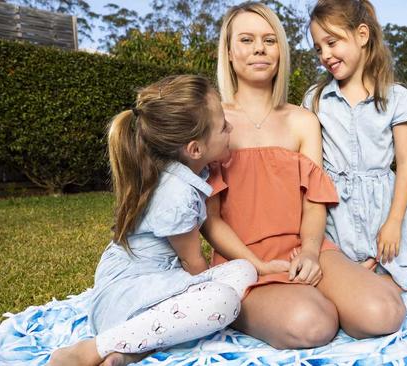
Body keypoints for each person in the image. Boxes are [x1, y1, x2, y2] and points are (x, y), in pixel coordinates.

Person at [200, 1, 406, 350]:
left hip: (305, 249)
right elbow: (210, 219)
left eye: (269, 40)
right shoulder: (213, 122)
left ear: (281, 50)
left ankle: (341, 290)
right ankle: (234, 307)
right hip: (244, 260)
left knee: (384, 313)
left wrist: (311, 251)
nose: (259, 49)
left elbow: (314, 203)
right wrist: (259, 266)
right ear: (229, 53)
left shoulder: (303, 120)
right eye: (246, 40)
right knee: (313, 324)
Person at [47, 75, 257, 366]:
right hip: (127, 300)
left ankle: (131, 349)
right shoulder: (178, 194)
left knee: (243, 270)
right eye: (223, 126)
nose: (230, 128)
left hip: (154, 287)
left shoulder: (181, 175)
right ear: (195, 149)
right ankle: (92, 349)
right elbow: (194, 266)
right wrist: (208, 297)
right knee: (224, 300)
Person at [302, 0, 407, 292]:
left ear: (362, 35)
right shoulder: (316, 98)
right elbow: (308, 165)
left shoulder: (396, 98)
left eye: (332, 42)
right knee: (337, 276)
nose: (325, 55)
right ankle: (363, 279)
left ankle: (386, 276)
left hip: (382, 207)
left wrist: (394, 221)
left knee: (398, 269)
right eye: (318, 48)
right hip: (336, 210)